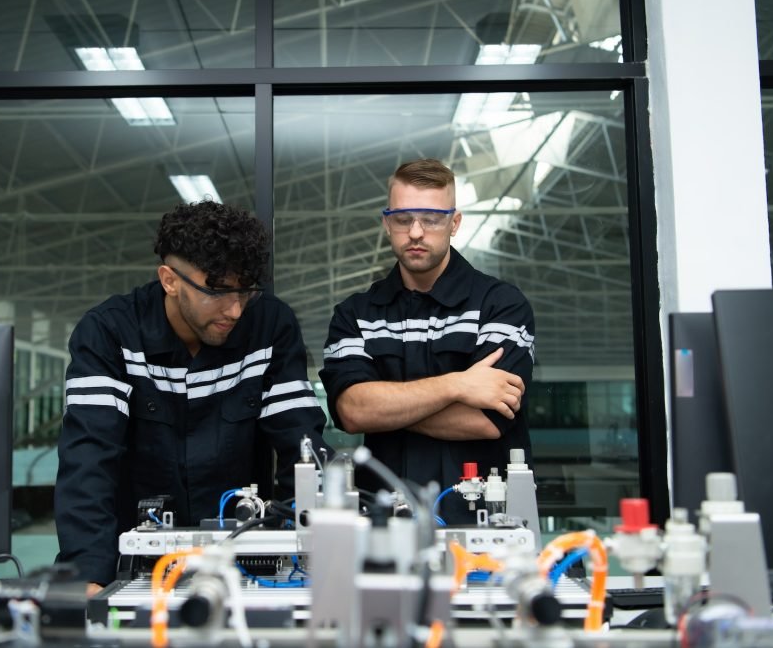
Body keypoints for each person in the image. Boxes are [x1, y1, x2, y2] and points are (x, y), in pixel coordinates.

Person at [55, 200, 327, 592]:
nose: (235, 310)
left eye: (245, 291)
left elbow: (302, 446)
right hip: (132, 569)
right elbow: (88, 461)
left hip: (243, 565)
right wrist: (88, 575)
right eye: (216, 291)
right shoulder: (109, 334)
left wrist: (301, 549)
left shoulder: (270, 326)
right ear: (169, 280)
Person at [319, 158, 535, 524]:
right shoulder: (355, 314)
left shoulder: (500, 306)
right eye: (403, 219)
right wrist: (458, 384)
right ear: (387, 223)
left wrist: (386, 409)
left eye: (432, 219)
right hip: (385, 525)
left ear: (455, 223)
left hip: (483, 522)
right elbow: (353, 411)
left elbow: (487, 419)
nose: (416, 232)